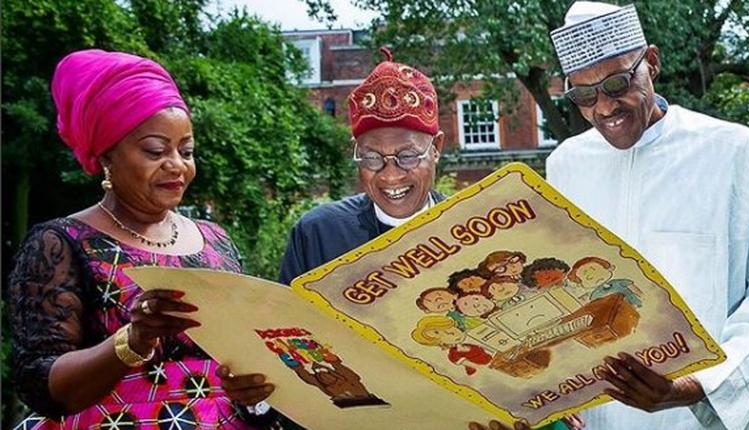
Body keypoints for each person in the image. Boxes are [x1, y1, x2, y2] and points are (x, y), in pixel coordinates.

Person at [280, 48, 581, 430]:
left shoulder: (480, 233)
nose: (390, 176)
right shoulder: (318, 233)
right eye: (372, 158)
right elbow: (286, 347)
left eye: (407, 156)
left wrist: (554, 389)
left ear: (436, 148)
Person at [544, 2, 749, 429]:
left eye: (618, 84)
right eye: (584, 96)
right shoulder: (565, 165)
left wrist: (693, 387)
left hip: (705, 414)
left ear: (651, 63)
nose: (604, 108)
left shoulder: (732, 151)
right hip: (604, 416)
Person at [9, 50, 278, 429]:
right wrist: (131, 341)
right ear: (107, 156)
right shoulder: (62, 242)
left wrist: (256, 394)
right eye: (156, 150)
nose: (177, 165)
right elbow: (41, 385)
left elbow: (243, 361)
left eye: (186, 151)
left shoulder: (216, 242)